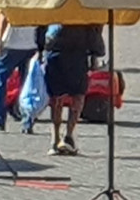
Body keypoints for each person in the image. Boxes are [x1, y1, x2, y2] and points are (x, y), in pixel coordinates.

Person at [44, 24, 105, 155]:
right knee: (77, 95)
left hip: (58, 51)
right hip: (75, 54)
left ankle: (57, 138)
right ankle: (67, 136)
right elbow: (96, 27)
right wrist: (95, 53)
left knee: (59, 97)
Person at [0, 15, 42, 133]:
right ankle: (28, 121)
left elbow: (4, 16)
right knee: (27, 84)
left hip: (11, 43)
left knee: (0, 81)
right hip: (30, 44)